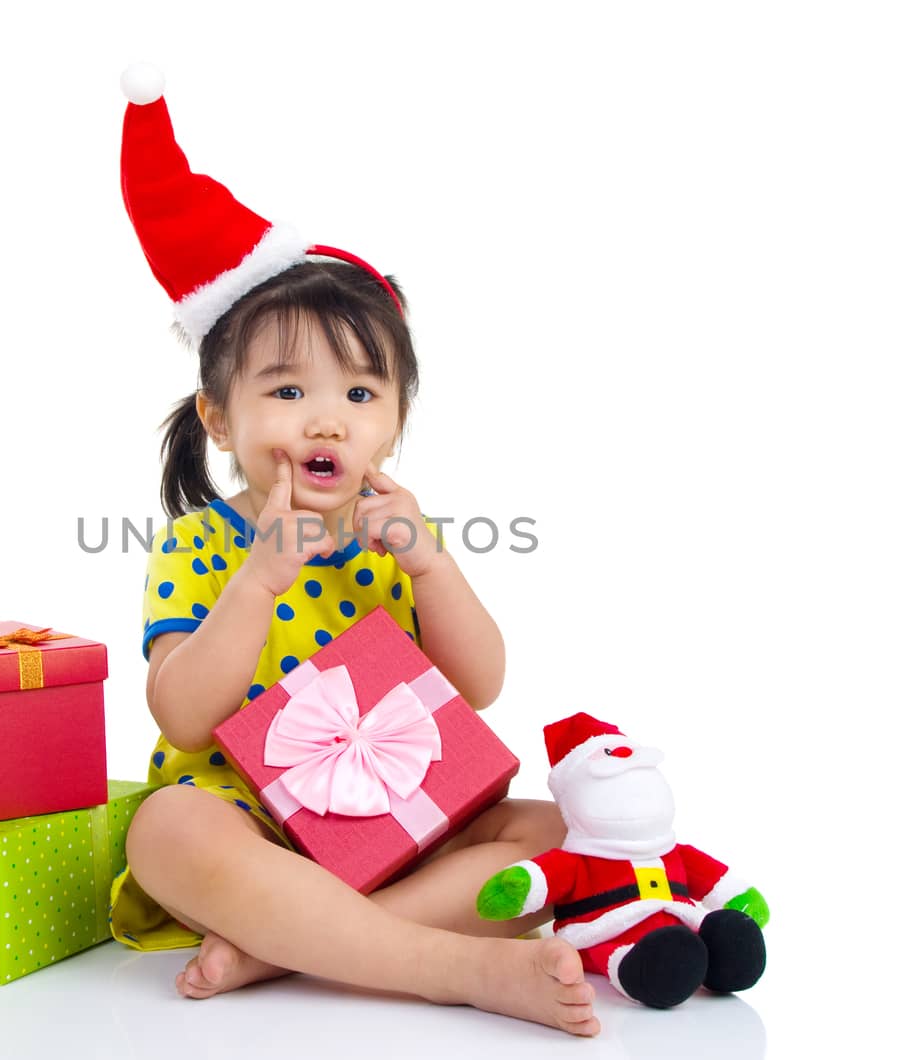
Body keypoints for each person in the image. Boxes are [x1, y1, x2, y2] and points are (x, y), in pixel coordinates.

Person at [107, 65, 601, 1038]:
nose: (325, 414)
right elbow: (180, 711)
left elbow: (483, 684)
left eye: (360, 393)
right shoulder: (204, 540)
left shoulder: (396, 530)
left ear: (393, 421)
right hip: (245, 823)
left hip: (391, 820)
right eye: (286, 390)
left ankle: (281, 947)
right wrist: (260, 582)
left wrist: (432, 565)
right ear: (218, 414)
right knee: (163, 831)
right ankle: (438, 964)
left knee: (550, 831)